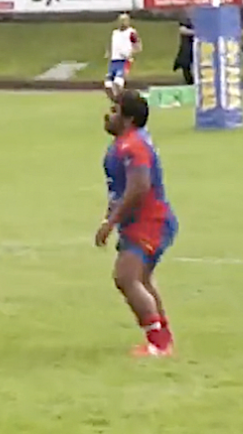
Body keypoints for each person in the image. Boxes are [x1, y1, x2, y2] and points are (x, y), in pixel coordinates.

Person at [96, 90, 177, 357]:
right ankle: (163, 339)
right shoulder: (126, 143)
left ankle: (158, 342)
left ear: (129, 119)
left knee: (126, 277)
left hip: (149, 221)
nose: (109, 115)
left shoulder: (134, 146)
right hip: (146, 221)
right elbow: (119, 189)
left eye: (115, 110)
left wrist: (111, 221)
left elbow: (139, 187)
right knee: (140, 278)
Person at [105, 14, 140, 100]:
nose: (122, 23)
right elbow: (112, 46)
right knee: (108, 85)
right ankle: (115, 101)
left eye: (124, 20)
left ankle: (122, 101)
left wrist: (130, 53)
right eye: (121, 20)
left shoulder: (131, 32)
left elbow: (138, 46)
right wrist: (108, 53)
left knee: (118, 83)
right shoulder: (115, 33)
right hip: (114, 61)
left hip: (124, 61)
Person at [173, 15, 195, 85]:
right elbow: (182, 30)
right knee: (186, 64)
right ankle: (189, 82)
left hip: (200, 48)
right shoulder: (187, 17)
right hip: (188, 47)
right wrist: (197, 33)